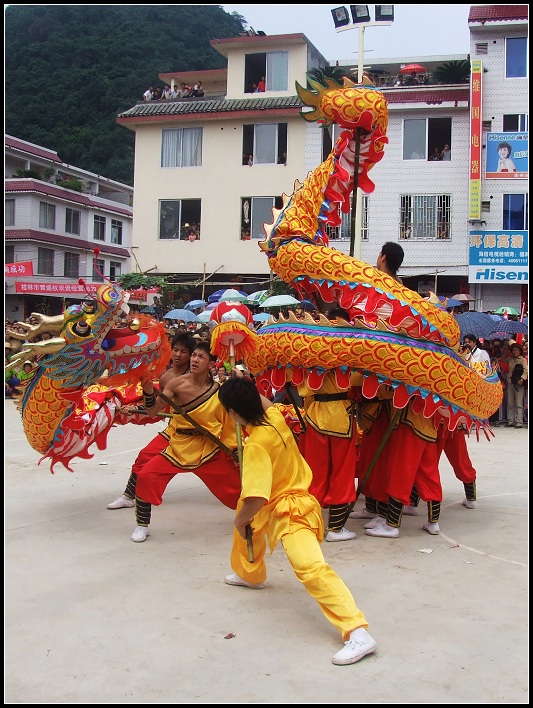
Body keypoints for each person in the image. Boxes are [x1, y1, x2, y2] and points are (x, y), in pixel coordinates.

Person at [217, 376, 377, 666]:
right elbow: (262, 403)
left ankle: (357, 631)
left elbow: (256, 498)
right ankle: (251, 574)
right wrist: (244, 386)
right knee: (246, 516)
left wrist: (240, 521)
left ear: (233, 413)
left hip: (291, 510)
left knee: (309, 567)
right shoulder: (274, 416)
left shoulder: (255, 446)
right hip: (283, 500)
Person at [128, 341, 241, 542]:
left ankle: (258, 515)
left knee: (239, 487)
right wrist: (147, 392)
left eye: (201, 357)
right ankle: (142, 526)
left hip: (209, 449)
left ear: (211, 364)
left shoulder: (219, 391)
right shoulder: (176, 384)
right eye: (194, 355)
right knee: (146, 476)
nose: (195, 360)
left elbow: (230, 422)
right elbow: (154, 411)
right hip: (179, 445)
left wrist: (235, 450)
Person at [107, 332, 196, 510]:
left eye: (184, 351)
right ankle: (128, 496)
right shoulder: (166, 378)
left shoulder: (197, 374)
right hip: (177, 431)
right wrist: (145, 395)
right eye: (176, 350)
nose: (178, 355)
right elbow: (156, 409)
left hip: (204, 432)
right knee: (144, 458)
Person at [295, 308, 359, 542]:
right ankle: (336, 528)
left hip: (315, 416)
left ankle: (309, 525)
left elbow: (304, 389)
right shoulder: (351, 350)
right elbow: (358, 383)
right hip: (340, 417)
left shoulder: (309, 350)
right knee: (342, 473)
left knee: (314, 474)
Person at [506, 341, 527, 427]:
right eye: (513, 350)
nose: (515, 351)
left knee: (519, 403)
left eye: (516, 350)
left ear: (520, 351)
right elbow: (503, 360)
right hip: (510, 382)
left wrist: (522, 378)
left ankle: (519, 422)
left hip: (519, 383)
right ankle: (511, 421)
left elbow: (526, 370)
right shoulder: (510, 359)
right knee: (510, 403)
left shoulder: (523, 360)